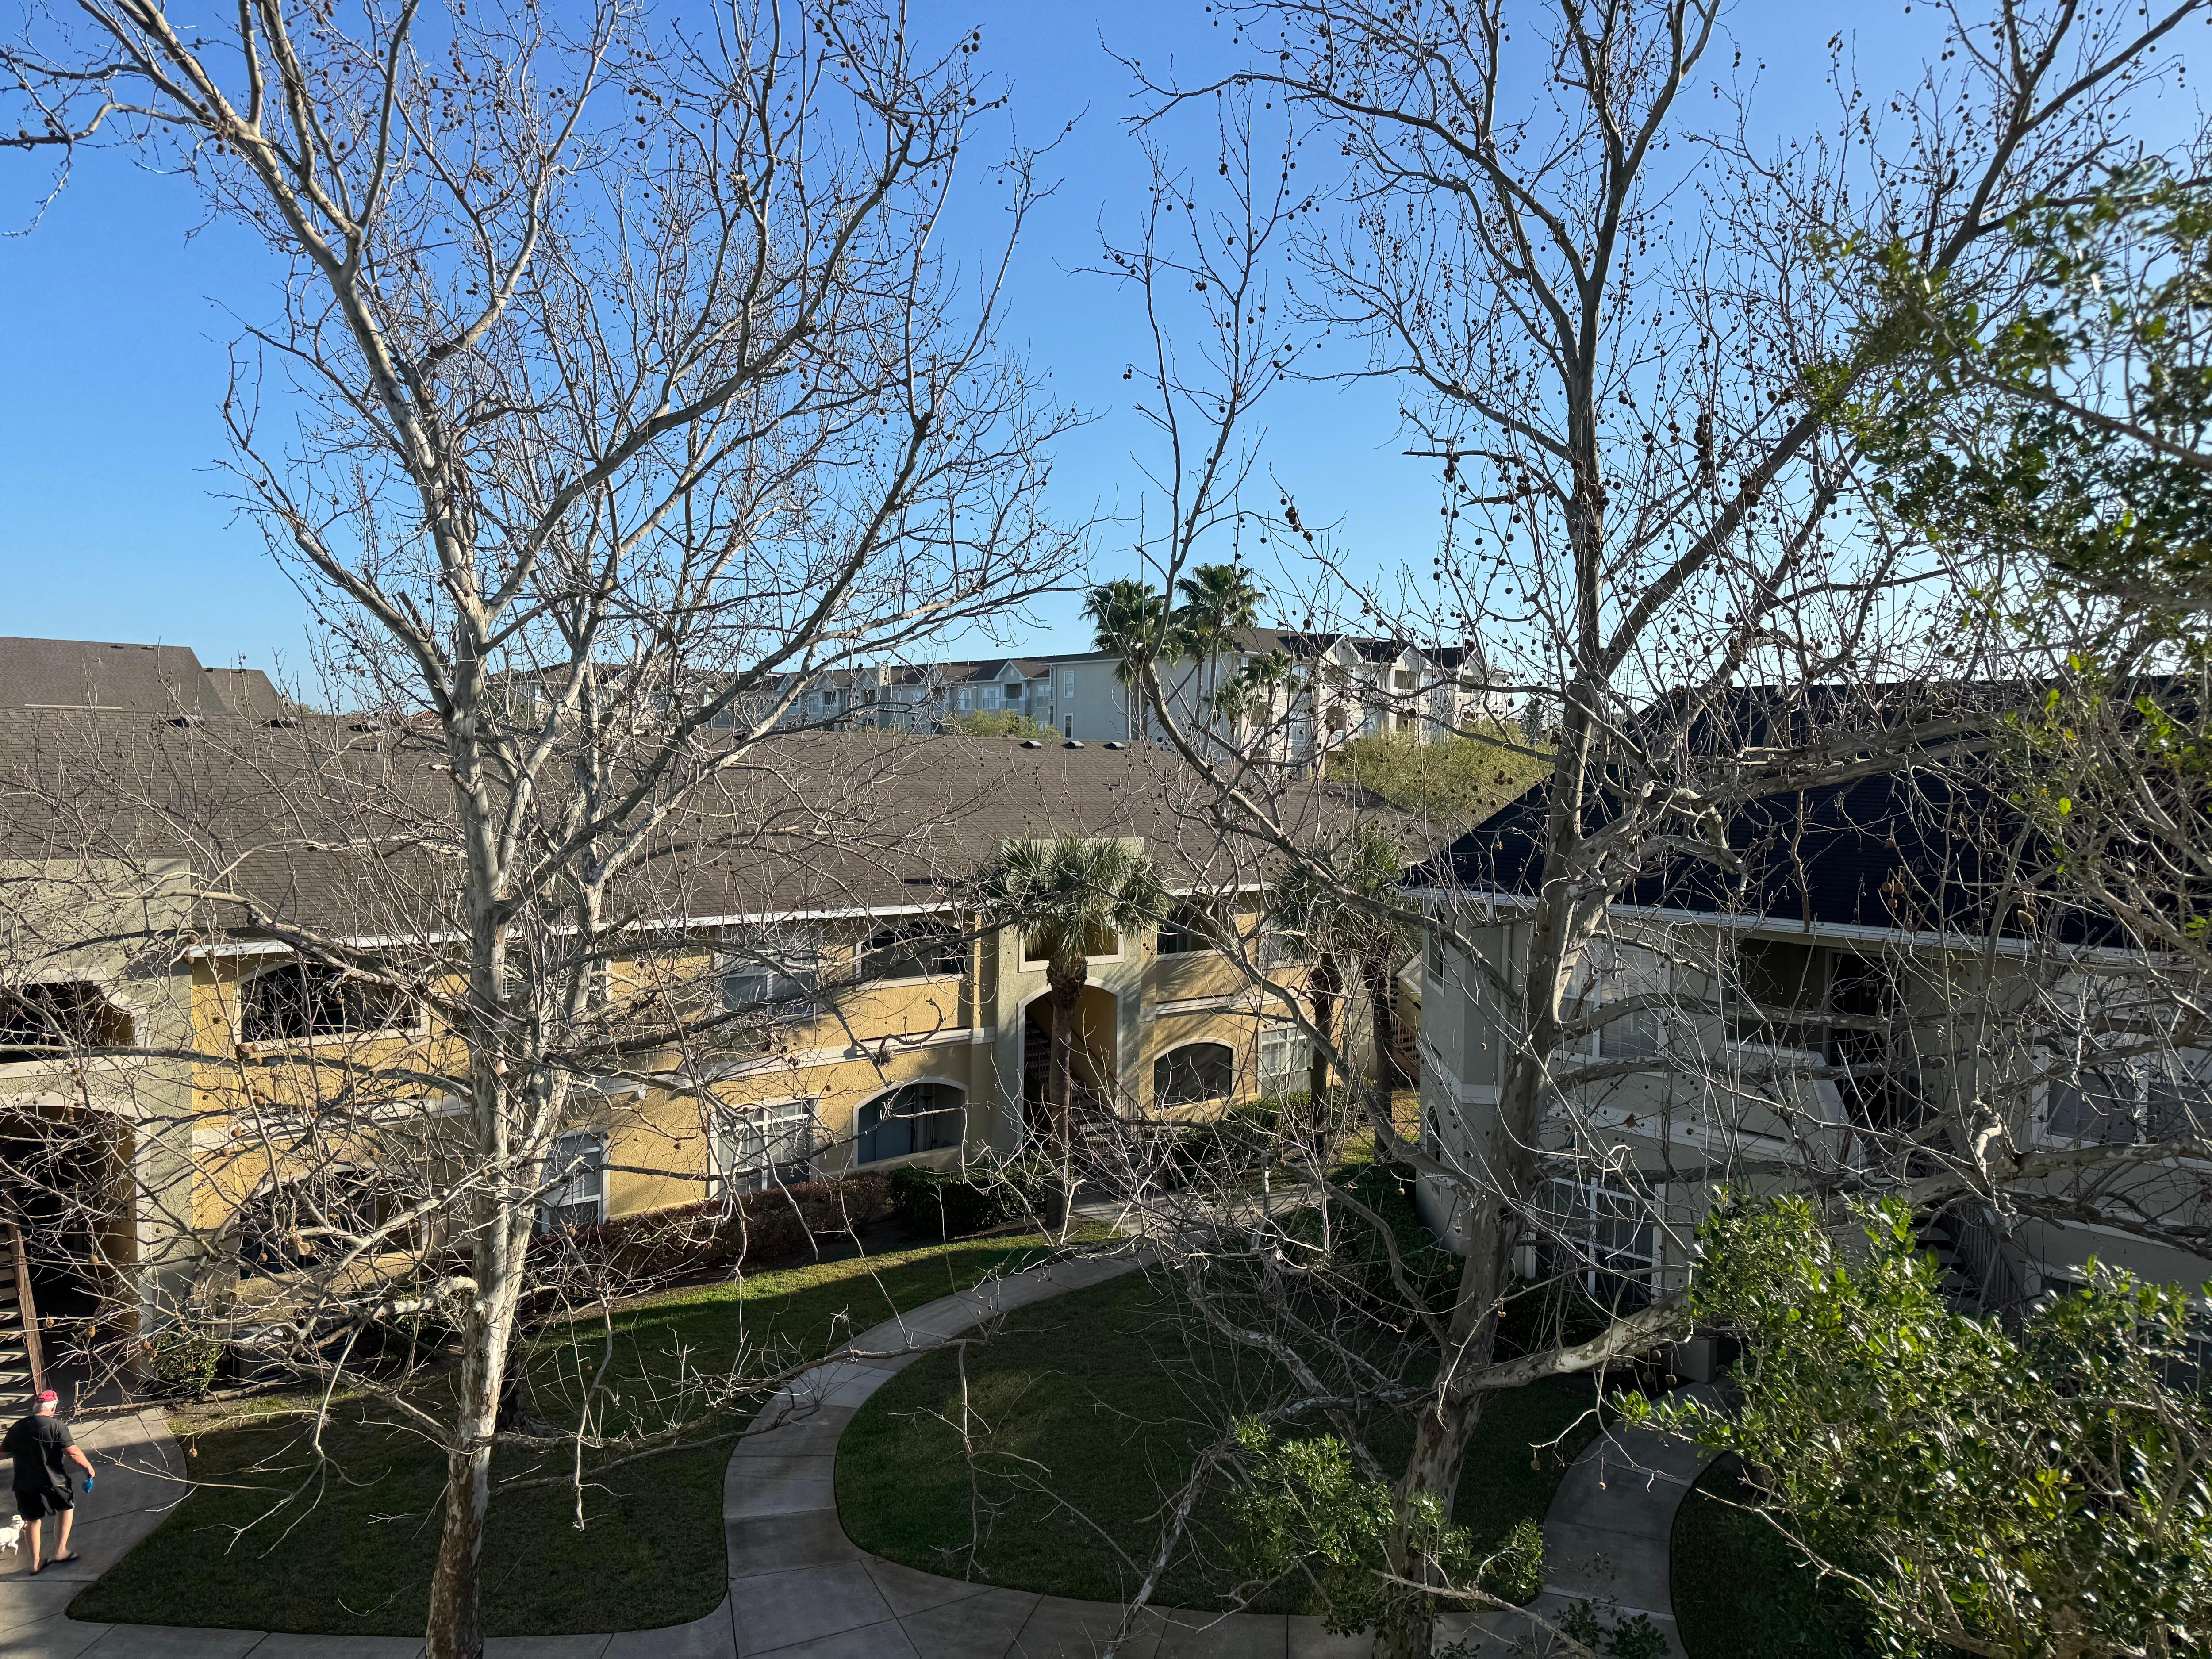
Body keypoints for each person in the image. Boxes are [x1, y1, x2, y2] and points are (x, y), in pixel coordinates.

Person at [4, 1390, 92, 1573]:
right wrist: (89, 1469)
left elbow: (3, 1453)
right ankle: (60, 1551)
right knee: (67, 1509)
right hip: (54, 1481)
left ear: (36, 1407)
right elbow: (73, 1453)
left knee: (33, 1520)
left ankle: (35, 1564)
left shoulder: (17, 1427)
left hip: (24, 1484)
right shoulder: (56, 1425)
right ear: (53, 1408)